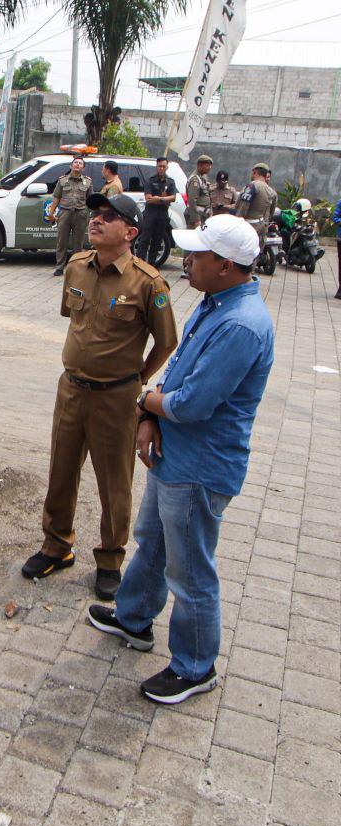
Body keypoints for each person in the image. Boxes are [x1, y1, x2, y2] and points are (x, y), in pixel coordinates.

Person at [87, 215, 274, 705]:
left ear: (227, 266)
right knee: (153, 542)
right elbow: (179, 376)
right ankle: (133, 618)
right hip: (175, 454)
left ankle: (195, 665)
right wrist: (150, 416)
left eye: (198, 256)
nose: (187, 261)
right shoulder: (215, 303)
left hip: (200, 466)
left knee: (190, 571)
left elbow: (192, 404)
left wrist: (145, 402)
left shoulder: (241, 325)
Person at [21, 194, 178, 599]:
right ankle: (57, 546)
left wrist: (137, 379)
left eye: (109, 217)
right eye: (96, 214)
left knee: (114, 483)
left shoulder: (149, 282)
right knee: (61, 471)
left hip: (115, 398)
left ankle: (109, 560)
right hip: (71, 389)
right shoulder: (76, 267)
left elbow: (165, 342)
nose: (97, 220)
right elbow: (74, 322)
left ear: (130, 232)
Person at [47, 157, 94, 275]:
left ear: (83, 168)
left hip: (81, 213)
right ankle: (59, 267)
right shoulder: (62, 180)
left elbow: (90, 200)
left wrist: (93, 215)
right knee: (61, 241)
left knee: (78, 243)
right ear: (71, 166)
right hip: (64, 212)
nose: (77, 165)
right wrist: (51, 213)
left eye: (80, 163)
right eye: (75, 163)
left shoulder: (87, 182)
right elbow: (56, 197)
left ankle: (75, 268)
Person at [136, 157, 177, 266]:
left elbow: (173, 198)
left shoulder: (170, 182)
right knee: (144, 241)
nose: (161, 168)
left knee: (157, 241)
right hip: (150, 214)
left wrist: (158, 199)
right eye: (159, 166)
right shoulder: (150, 180)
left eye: (163, 166)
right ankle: (139, 265)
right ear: (156, 166)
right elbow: (149, 199)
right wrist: (164, 199)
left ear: (167, 167)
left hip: (163, 215)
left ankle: (152, 266)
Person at [234, 162, 277, 245]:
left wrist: (237, 224)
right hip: (262, 226)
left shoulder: (252, 186)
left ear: (255, 172)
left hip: (248, 226)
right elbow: (271, 212)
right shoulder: (271, 191)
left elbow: (243, 207)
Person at [185, 156, 213, 228]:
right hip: (196, 217)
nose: (209, 167)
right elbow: (192, 200)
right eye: (207, 165)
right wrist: (196, 219)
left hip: (203, 216)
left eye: (210, 165)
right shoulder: (195, 180)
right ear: (199, 166)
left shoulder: (203, 179)